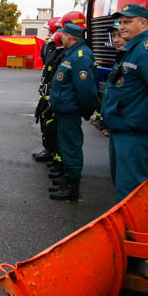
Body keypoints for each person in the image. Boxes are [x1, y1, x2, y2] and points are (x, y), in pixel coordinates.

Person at [101, 4, 148, 202]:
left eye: (128, 22)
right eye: (121, 22)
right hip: (123, 128)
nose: (123, 26)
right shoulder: (132, 49)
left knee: (131, 191)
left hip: (134, 131)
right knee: (122, 185)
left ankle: (134, 231)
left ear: (143, 23)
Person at [48, 23, 98, 201]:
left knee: (71, 148)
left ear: (70, 36)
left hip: (70, 111)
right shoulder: (72, 54)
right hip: (64, 110)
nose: (61, 36)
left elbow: (86, 91)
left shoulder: (81, 56)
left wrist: (83, 111)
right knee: (66, 146)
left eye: (63, 34)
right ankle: (66, 180)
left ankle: (72, 187)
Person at [33, 31, 65, 172]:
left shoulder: (65, 53)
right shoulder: (54, 50)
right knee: (47, 125)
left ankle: (61, 163)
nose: (50, 35)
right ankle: (51, 152)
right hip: (48, 95)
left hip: (58, 101)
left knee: (56, 131)